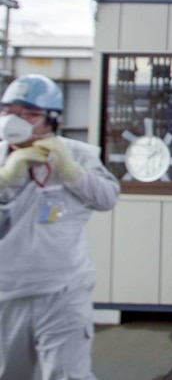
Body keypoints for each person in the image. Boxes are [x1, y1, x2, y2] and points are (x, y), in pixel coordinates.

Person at [0, 74, 120, 380]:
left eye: (28, 113)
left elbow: (107, 198)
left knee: (68, 375)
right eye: (9, 110)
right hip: (6, 292)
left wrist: (71, 171)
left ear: (53, 120)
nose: (15, 120)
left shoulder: (78, 155)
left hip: (63, 291)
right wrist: (7, 176)